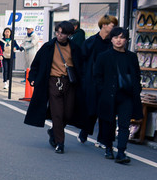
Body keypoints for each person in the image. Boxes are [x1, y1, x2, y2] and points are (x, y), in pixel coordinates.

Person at [24, 21, 85, 154]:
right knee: (57, 114)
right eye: (57, 32)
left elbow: (81, 66)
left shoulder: (74, 48)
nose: (59, 35)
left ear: (69, 34)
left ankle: (53, 131)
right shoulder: (49, 46)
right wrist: (33, 78)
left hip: (70, 83)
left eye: (62, 33)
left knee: (68, 113)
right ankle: (60, 143)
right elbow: (36, 63)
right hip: (52, 82)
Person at [93, 26, 143, 164]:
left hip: (126, 96)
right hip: (109, 95)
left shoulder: (131, 57)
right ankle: (109, 148)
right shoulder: (104, 56)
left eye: (122, 37)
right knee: (108, 123)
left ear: (126, 40)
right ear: (111, 39)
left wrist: (136, 88)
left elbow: (137, 75)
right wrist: (102, 90)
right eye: (116, 37)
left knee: (124, 125)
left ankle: (121, 151)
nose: (119, 40)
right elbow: (97, 76)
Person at [78, 15, 118, 146]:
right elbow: (81, 60)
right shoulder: (92, 41)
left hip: (107, 82)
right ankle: (84, 131)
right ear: (104, 25)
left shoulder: (113, 43)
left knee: (106, 111)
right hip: (91, 81)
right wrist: (83, 78)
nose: (114, 27)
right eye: (112, 25)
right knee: (91, 109)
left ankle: (103, 139)